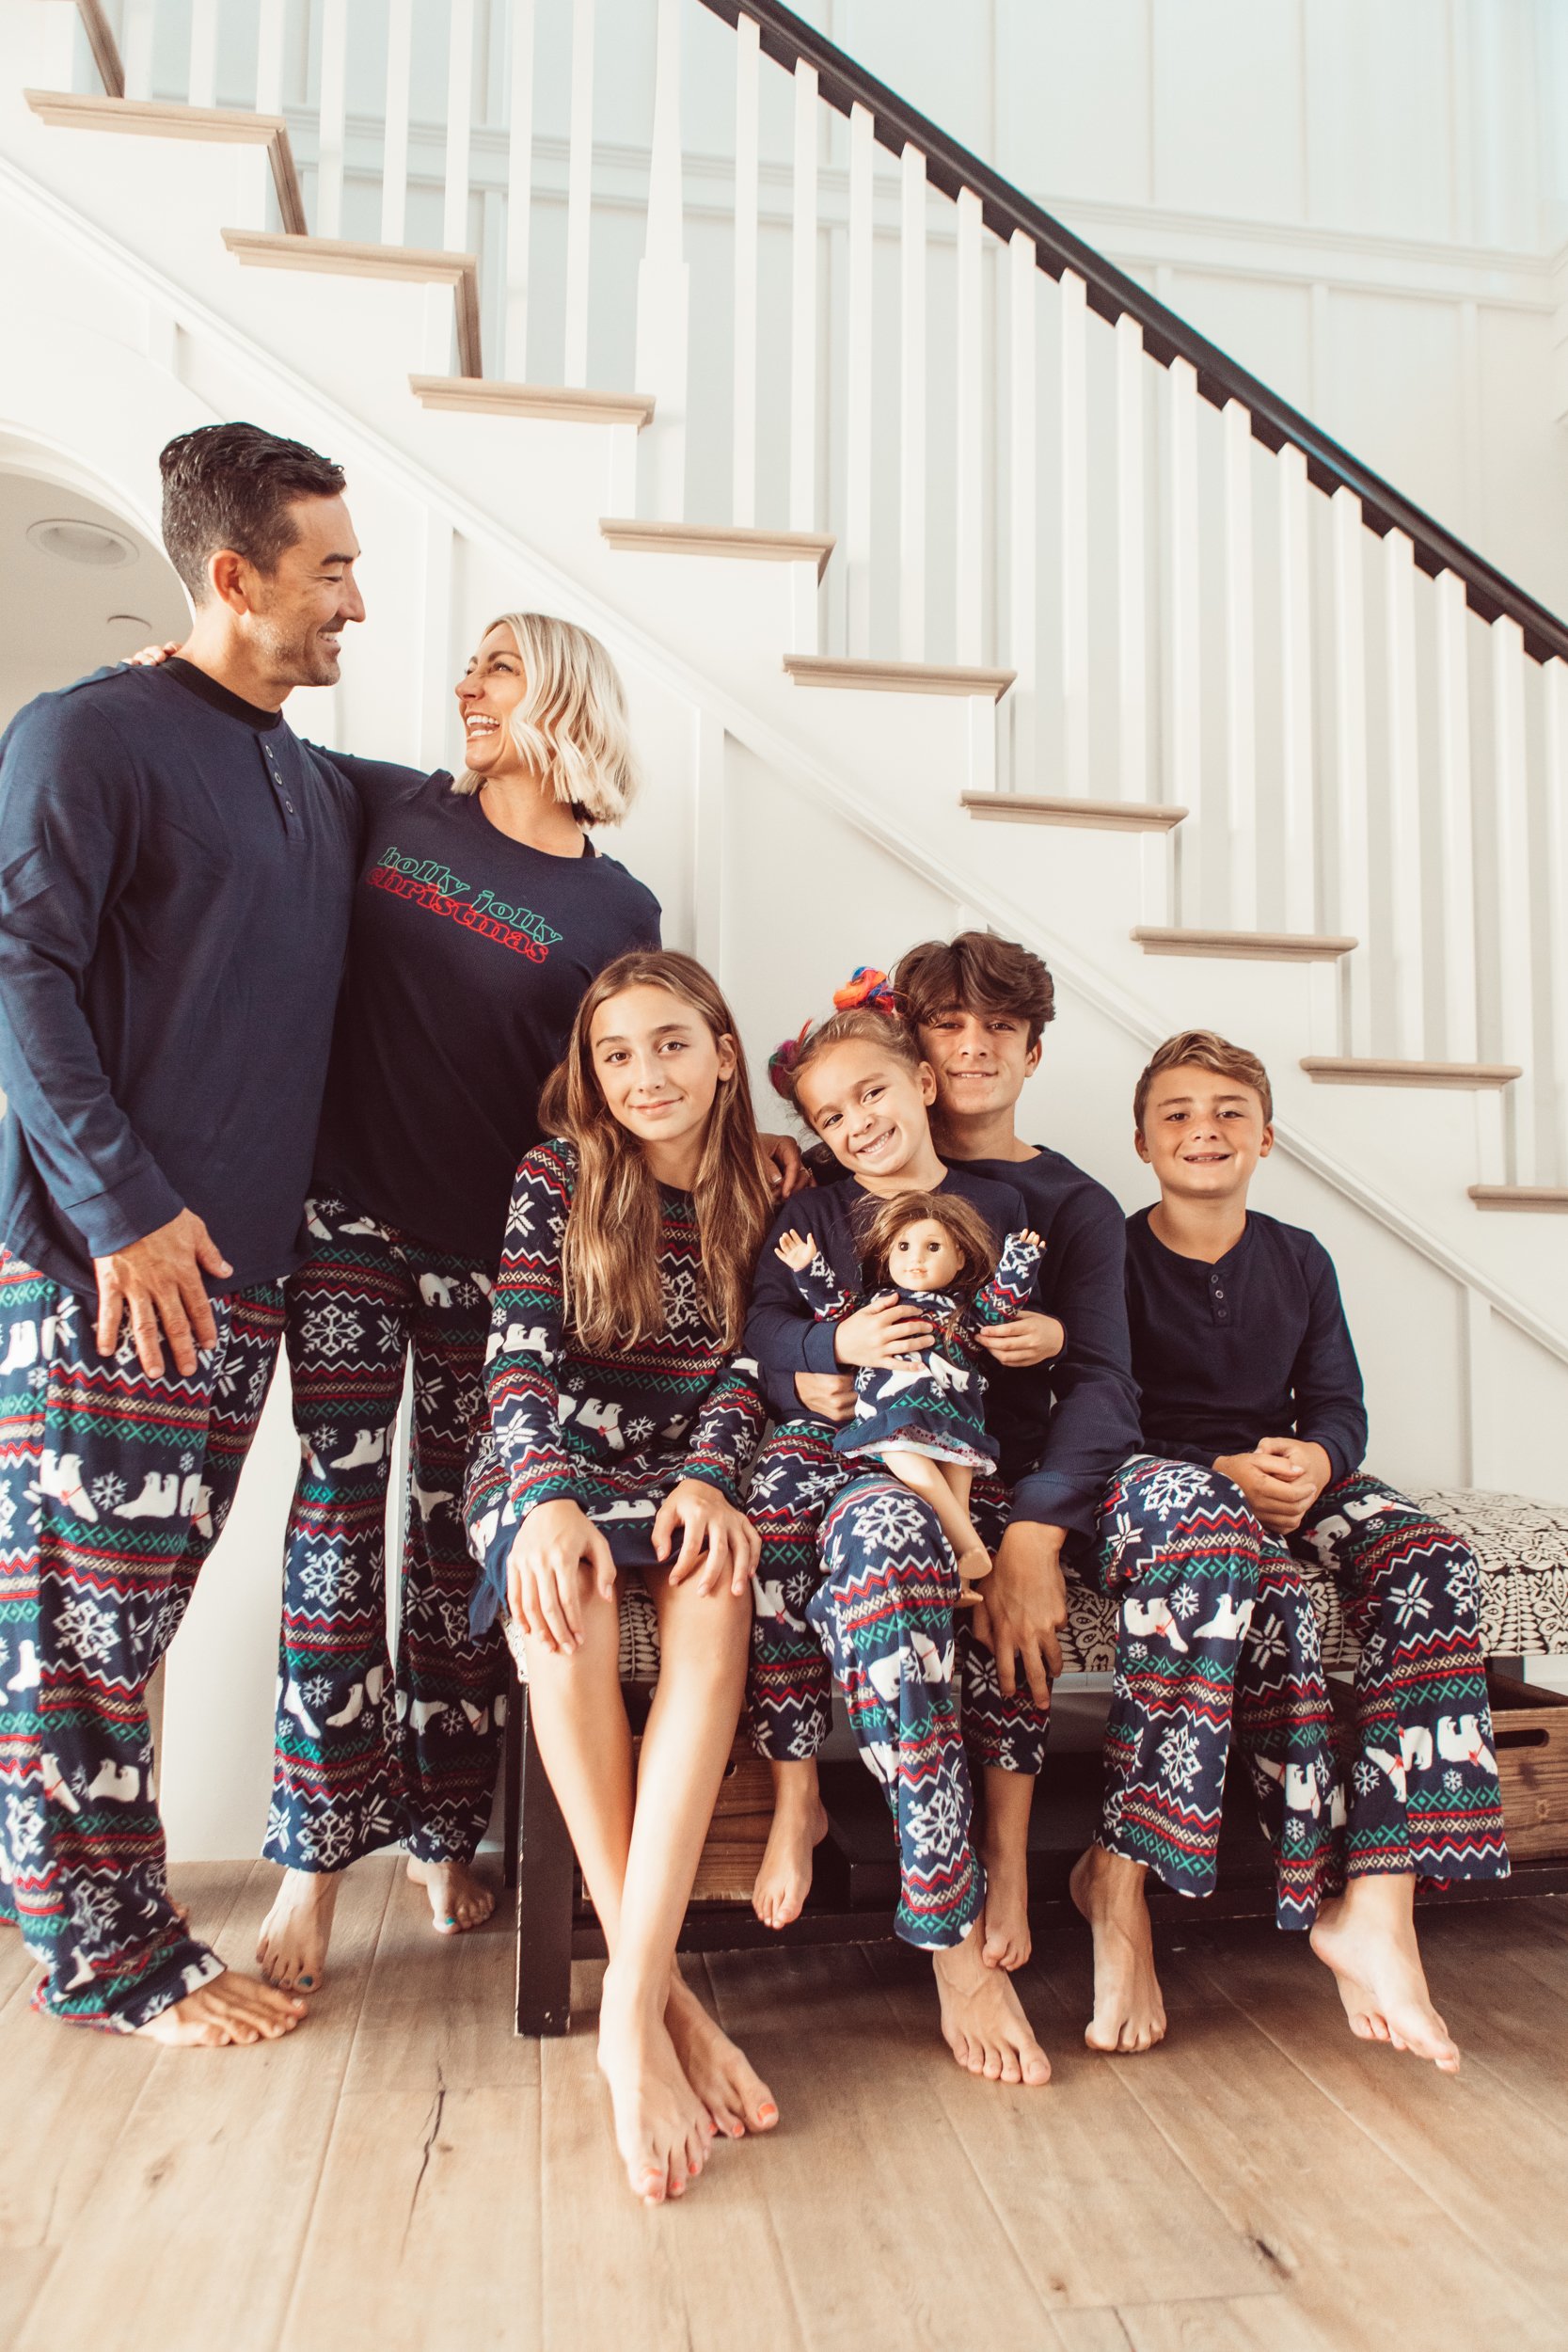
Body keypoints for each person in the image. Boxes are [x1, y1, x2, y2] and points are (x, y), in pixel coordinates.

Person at [0, 421, 365, 2043]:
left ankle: (87, 1907)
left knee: (128, 1616)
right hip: (118, 1269)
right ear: (235, 576)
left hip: (244, 1285)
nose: (355, 600)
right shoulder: (87, 737)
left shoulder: (297, 763)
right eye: (331, 570)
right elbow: (18, 978)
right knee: (80, 1627)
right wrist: (124, 1211)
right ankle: (106, 1965)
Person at [1085, 1028, 1508, 2071]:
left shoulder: (1298, 1256)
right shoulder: (1111, 1257)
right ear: (1139, 1140)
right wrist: (1221, 1470)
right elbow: (1100, 1412)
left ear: (1265, 1135)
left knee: (1430, 1562)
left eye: (1228, 1110)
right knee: (1257, 1581)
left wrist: (1316, 1462)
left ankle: (1379, 1899)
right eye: (1176, 1112)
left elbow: (1335, 1404)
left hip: (1285, 1470)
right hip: (1151, 1478)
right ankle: (1125, 1875)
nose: (1204, 1128)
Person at [462, 950, 777, 2204]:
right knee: (568, 1600)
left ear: (722, 1053)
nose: (644, 1074)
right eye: (615, 1052)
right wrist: (540, 1498)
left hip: (689, 1465)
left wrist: (707, 1478)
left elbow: (753, 1371)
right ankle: (660, 2017)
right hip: (551, 1459)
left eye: (668, 1044)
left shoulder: (767, 1192)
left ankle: (629, 2008)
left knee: (714, 1593)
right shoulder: (558, 1177)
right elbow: (516, 1360)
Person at [745, 973, 1061, 2086]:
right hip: (844, 1461)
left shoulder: (1002, 1208)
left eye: (872, 1093)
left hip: (966, 1460)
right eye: (830, 1115)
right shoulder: (813, 1214)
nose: (857, 1123)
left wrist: (1039, 1337)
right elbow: (764, 1323)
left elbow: (1020, 1329)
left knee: (959, 1573)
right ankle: (814, 1811)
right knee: (842, 1533)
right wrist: (820, 1359)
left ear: (922, 1082)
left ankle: (978, 1878)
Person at [773, 1192, 1048, 1589]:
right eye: (903, 1246)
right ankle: (967, 1543)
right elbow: (834, 1307)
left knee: (959, 1479)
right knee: (900, 1451)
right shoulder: (879, 1305)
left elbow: (1001, 1303)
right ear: (887, 1256)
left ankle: (962, 1580)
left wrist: (1019, 1261)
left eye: (932, 1247)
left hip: (956, 1414)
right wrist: (807, 1266)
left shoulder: (963, 1312)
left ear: (960, 1259)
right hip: (894, 1411)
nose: (915, 1258)